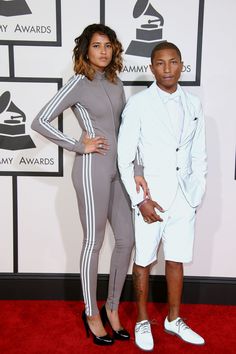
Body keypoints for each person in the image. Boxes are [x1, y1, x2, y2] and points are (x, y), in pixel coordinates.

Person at [31, 23, 147, 346]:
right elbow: (39, 120)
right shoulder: (78, 84)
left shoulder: (115, 82)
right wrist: (77, 144)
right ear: (86, 50)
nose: (103, 51)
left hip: (119, 171)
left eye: (108, 45)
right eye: (96, 46)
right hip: (91, 169)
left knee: (127, 239)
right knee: (93, 241)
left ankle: (111, 308)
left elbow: (127, 131)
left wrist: (136, 168)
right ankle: (91, 312)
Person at [117, 42, 207, 351]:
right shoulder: (139, 104)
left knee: (176, 260)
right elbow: (124, 158)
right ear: (152, 67)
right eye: (160, 63)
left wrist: (196, 192)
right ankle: (142, 319)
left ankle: (173, 319)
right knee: (143, 261)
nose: (167, 68)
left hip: (184, 198)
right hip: (150, 198)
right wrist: (139, 200)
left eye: (173, 62)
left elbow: (199, 153)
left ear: (182, 65)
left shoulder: (194, 104)